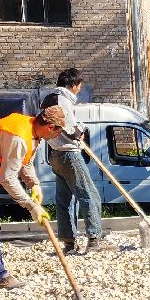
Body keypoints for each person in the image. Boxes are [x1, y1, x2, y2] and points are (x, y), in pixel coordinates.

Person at [0, 106, 68, 290]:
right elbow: (7, 179)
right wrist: (31, 206)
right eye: (59, 131)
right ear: (50, 127)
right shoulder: (18, 137)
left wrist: (34, 184)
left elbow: (24, 160)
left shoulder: (31, 129)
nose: (59, 135)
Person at [42, 68, 113, 254]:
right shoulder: (63, 99)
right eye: (79, 86)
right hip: (69, 153)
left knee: (65, 200)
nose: (79, 90)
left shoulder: (49, 98)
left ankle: (69, 242)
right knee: (89, 194)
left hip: (55, 153)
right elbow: (66, 125)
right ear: (73, 85)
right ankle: (94, 240)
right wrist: (79, 133)